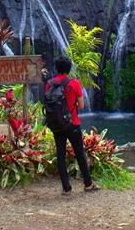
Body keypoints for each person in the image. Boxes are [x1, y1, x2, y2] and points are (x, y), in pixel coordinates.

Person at [43, 58, 99, 195]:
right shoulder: (73, 83)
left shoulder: (49, 84)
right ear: (69, 69)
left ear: (56, 68)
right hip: (72, 124)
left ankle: (66, 188)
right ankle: (88, 184)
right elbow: (81, 105)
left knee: (60, 155)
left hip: (56, 124)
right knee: (79, 153)